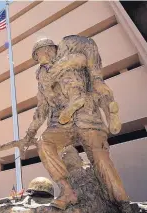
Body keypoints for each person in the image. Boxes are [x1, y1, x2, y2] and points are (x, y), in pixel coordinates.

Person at [24, 36, 131, 211]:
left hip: (85, 116)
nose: (43, 55)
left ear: (53, 49)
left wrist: (64, 67)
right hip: (64, 125)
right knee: (44, 143)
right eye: (39, 54)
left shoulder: (69, 56)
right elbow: (41, 109)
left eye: (46, 51)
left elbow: (83, 60)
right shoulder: (42, 79)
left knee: (101, 160)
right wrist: (29, 135)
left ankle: (122, 202)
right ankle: (68, 191)